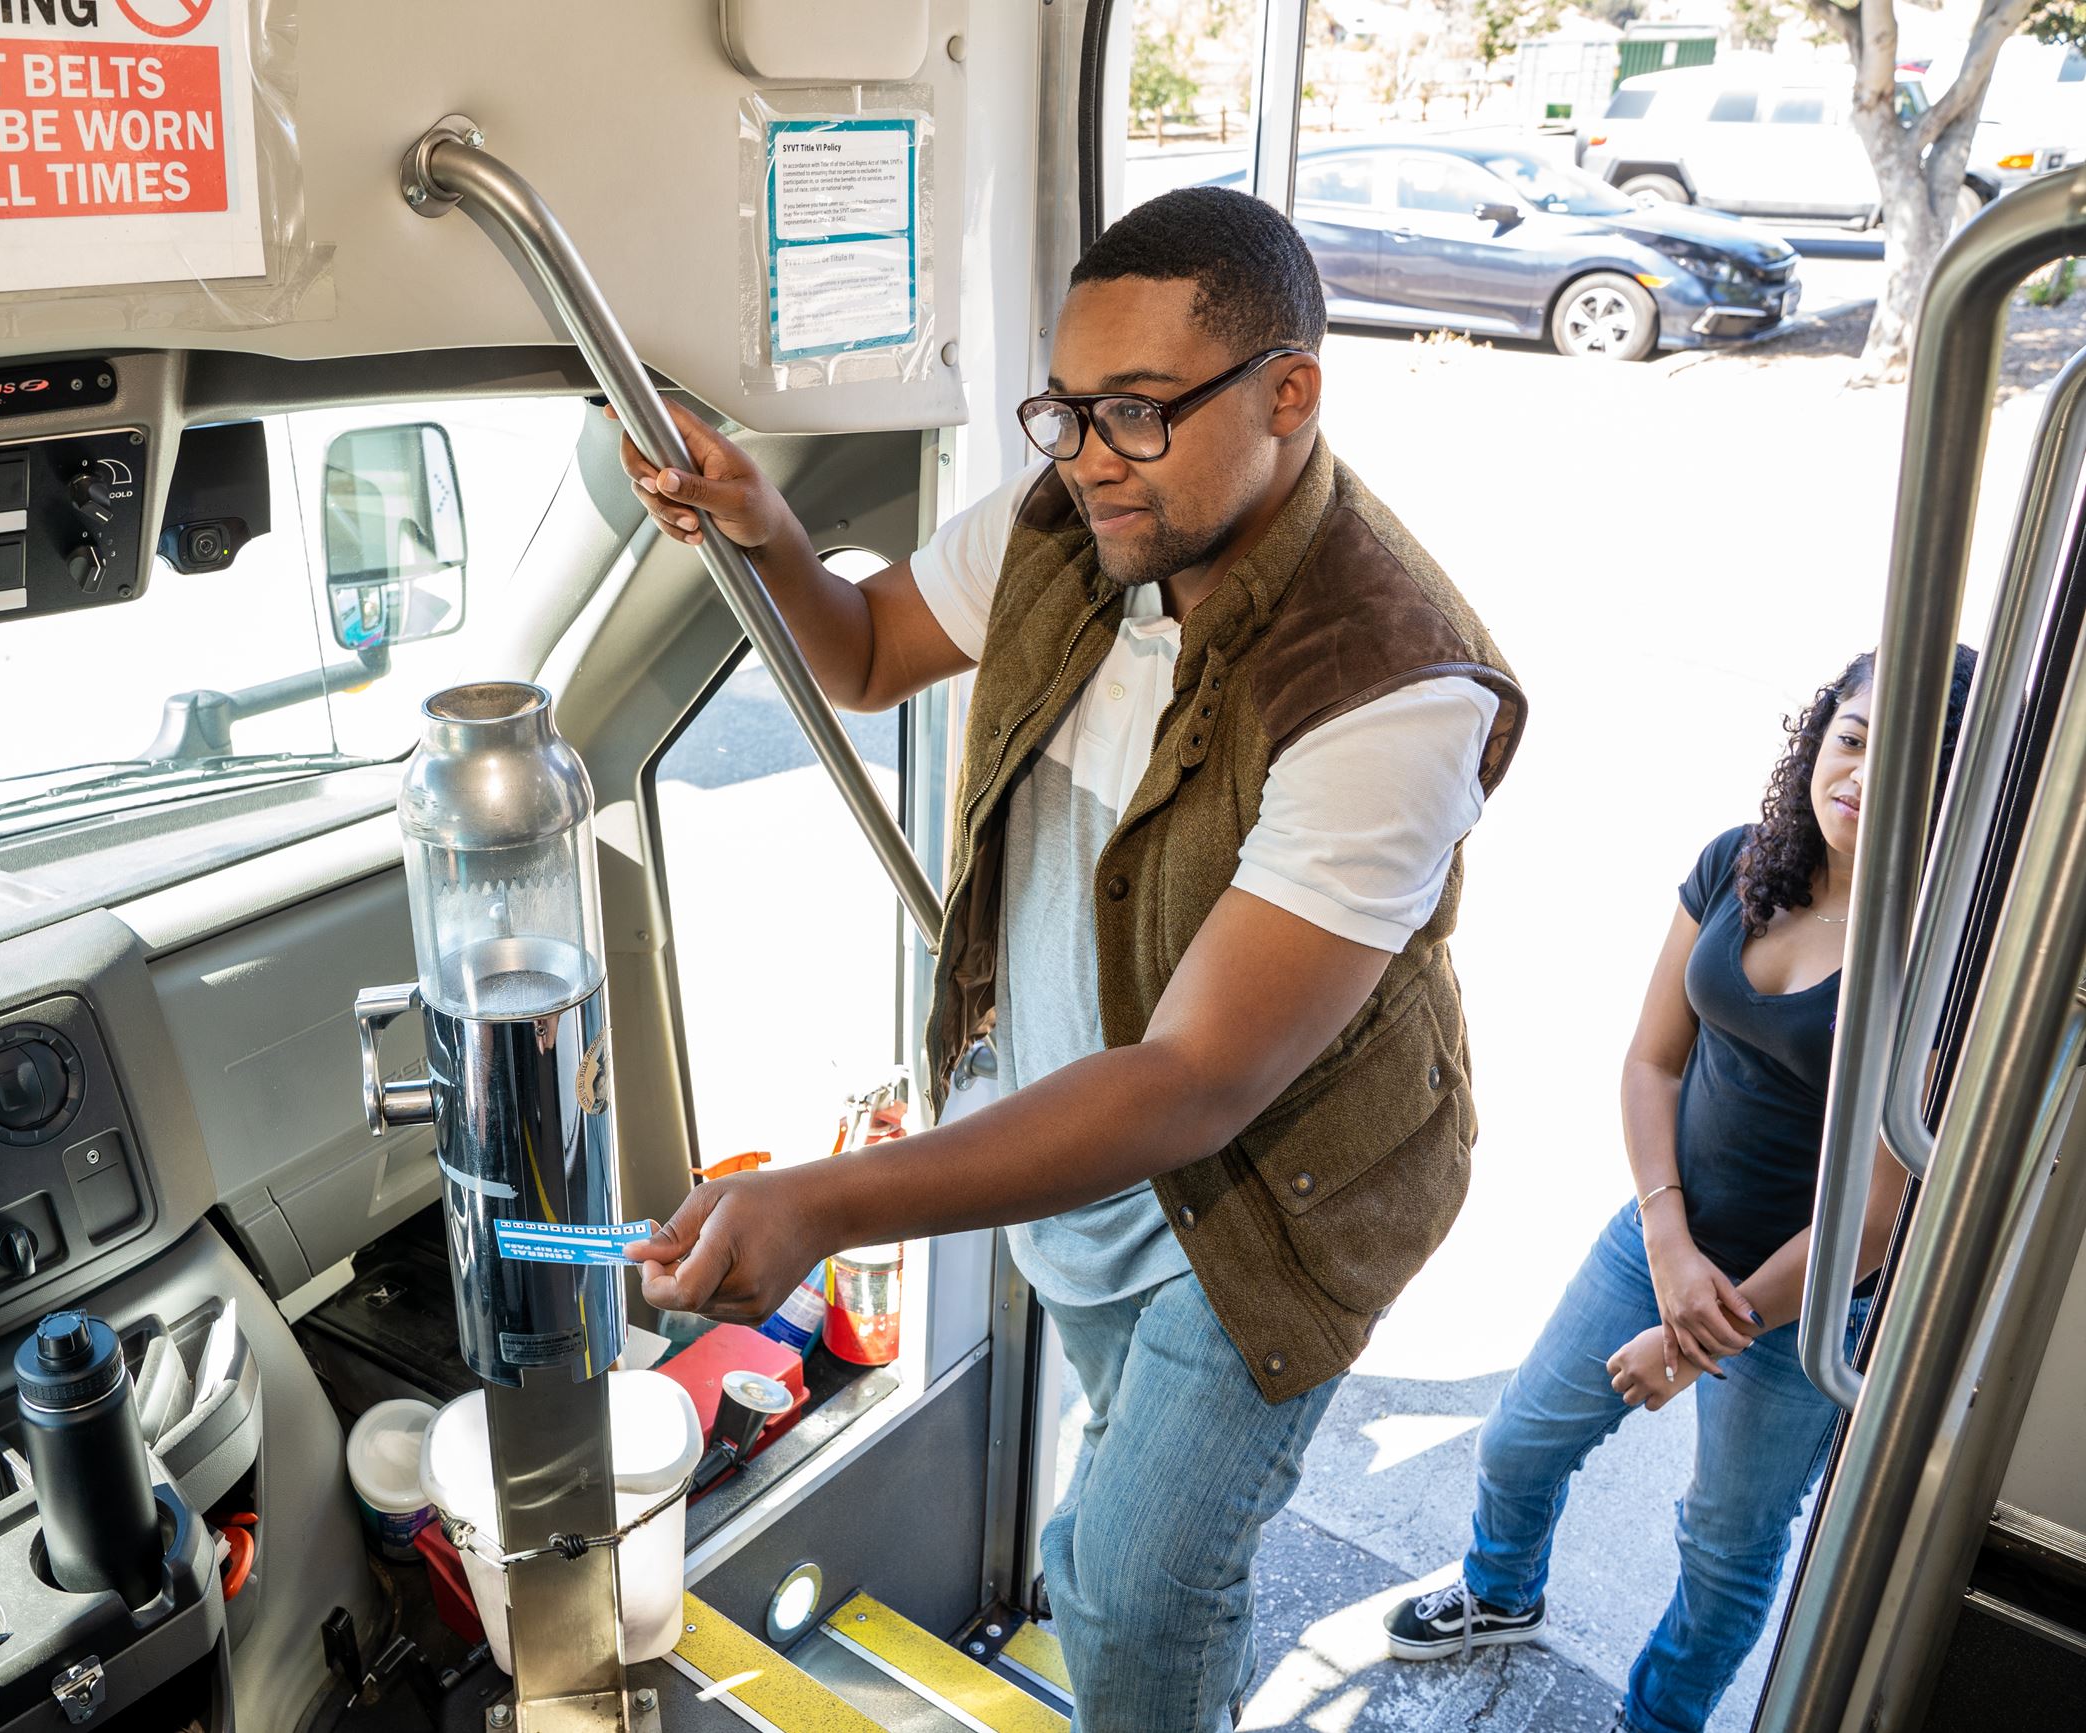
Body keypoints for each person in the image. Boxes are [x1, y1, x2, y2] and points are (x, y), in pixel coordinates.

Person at [615, 186, 1525, 1730]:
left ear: (1288, 393)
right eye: (1070, 408)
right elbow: (866, 650)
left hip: (1266, 1205)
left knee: (1128, 1585)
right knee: (1117, 1482)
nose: (1092, 453)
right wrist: (769, 529)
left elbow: (1192, 1084)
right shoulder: (1078, 521)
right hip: (1090, 1163)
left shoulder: (1388, 683)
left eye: (1141, 412)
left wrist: (824, 1204)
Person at [1383, 646, 1979, 1733]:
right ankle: (1501, 1589)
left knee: (1724, 1543)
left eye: (1913, 761)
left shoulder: (1939, 964)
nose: (1861, 776)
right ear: (1817, 738)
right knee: (1517, 1439)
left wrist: (1704, 1330)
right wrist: (1663, 1237)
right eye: (1851, 738)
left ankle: (1658, 1717)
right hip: (1663, 1229)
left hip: (1806, 1301)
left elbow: (1878, 1214)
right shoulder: (1738, 863)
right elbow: (1651, 1058)